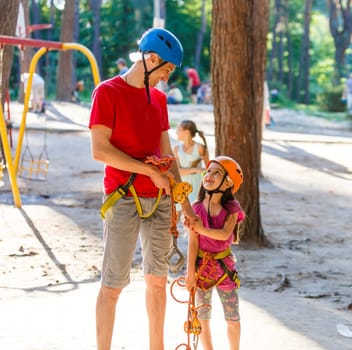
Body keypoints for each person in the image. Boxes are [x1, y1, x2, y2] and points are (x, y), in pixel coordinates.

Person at [89, 27, 193, 350]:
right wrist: (147, 170)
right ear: (150, 59)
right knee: (113, 284)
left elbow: (168, 154)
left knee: (157, 281)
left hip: (161, 200)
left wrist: (184, 204)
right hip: (122, 199)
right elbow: (100, 150)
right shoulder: (107, 93)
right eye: (164, 70)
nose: (165, 78)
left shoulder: (159, 100)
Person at [184, 156, 245, 350]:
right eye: (208, 171)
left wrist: (198, 228)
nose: (209, 175)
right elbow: (193, 243)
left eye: (217, 172)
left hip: (224, 268)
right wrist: (189, 274)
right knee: (202, 317)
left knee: (233, 318)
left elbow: (225, 234)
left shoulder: (231, 208)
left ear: (228, 183)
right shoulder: (196, 208)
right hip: (202, 269)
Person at [173, 120, 209, 205]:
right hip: (180, 186)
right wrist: (196, 169)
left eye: (178, 129)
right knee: (177, 214)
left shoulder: (200, 148)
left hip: (196, 187)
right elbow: (178, 172)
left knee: (194, 212)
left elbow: (207, 170)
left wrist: (195, 170)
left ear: (186, 132)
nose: (176, 132)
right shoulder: (176, 149)